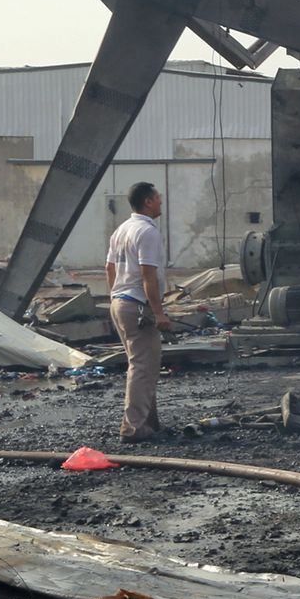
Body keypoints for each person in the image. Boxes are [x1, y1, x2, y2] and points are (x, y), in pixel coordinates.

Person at [106, 182, 170, 442]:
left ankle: (150, 424)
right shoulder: (147, 231)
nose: (160, 201)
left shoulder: (121, 230)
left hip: (120, 303)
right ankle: (134, 428)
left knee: (145, 364)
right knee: (143, 367)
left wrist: (116, 296)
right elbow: (148, 276)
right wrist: (159, 313)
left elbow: (109, 268)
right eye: (157, 198)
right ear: (148, 202)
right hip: (137, 305)